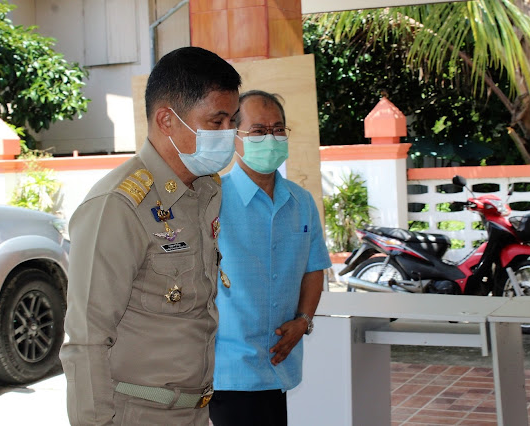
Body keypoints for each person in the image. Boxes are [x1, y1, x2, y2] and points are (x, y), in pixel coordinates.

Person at [59, 46, 241, 426]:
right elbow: (87, 339)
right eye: (216, 121)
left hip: (195, 410)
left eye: (232, 121)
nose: (229, 134)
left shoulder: (205, 191)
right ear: (166, 120)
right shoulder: (118, 205)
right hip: (137, 414)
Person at [209, 90, 332, 426]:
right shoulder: (212, 199)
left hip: (280, 364)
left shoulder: (301, 201)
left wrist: (303, 320)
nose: (270, 138)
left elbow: (314, 268)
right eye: (259, 131)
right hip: (229, 368)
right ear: (234, 136)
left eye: (278, 130)